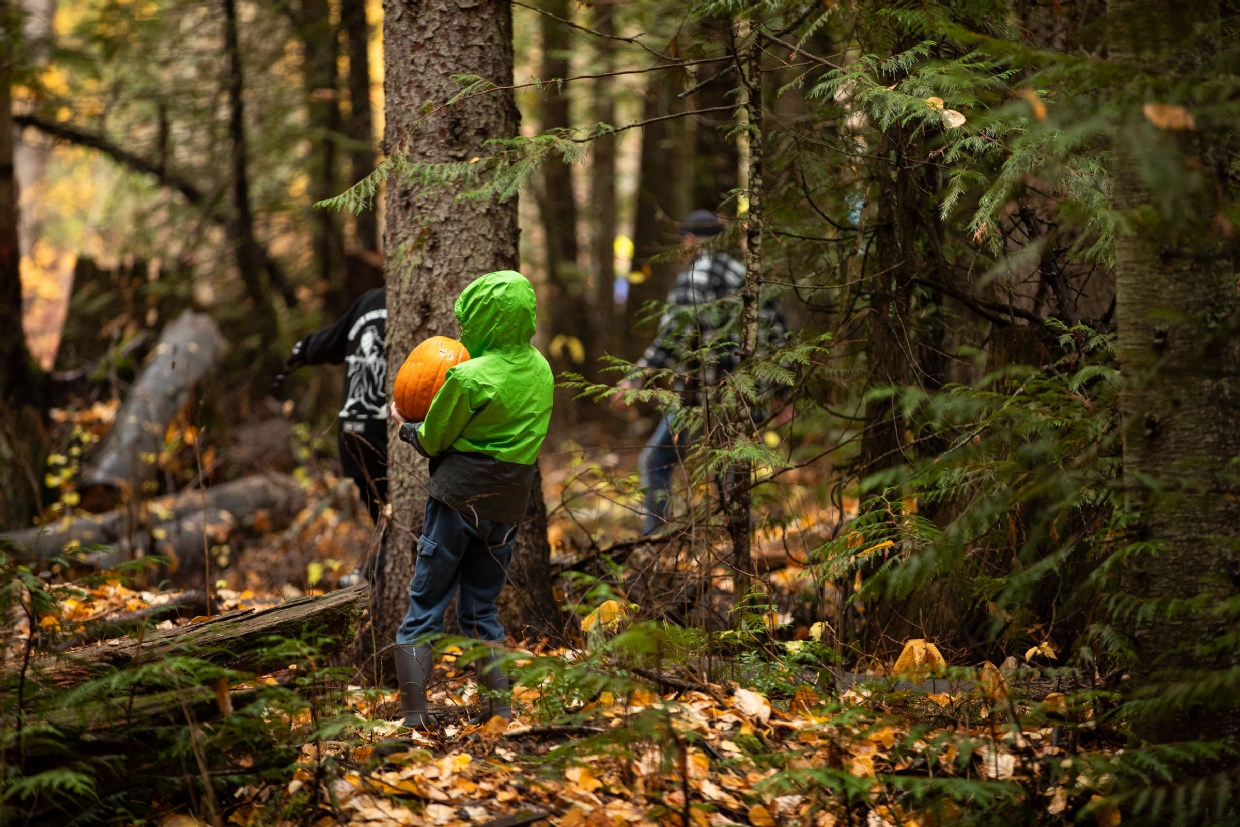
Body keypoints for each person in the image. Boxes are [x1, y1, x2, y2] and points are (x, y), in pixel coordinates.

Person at [388, 270, 553, 729]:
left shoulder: (465, 376)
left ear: (484, 320)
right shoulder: (541, 369)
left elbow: (434, 441)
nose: (463, 331)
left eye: (468, 320)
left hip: (457, 501)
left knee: (425, 602)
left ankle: (415, 720)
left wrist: (404, 423)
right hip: (508, 507)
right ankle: (499, 710)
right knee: (482, 608)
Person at [614, 210, 789, 535]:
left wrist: (636, 377)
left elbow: (672, 338)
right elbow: (779, 330)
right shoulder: (747, 274)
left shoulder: (693, 277)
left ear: (690, 241)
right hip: (744, 396)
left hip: (698, 396)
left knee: (656, 463)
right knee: (731, 472)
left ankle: (658, 539)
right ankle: (742, 553)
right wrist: (781, 391)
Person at [284, 288, 389, 525]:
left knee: (383, 521)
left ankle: (383, 555)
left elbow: (331, 341)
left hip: (351, 432)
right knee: (396, 523)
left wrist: (303, 349)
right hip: (386, 434)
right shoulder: (413, 306)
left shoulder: (368, 300)